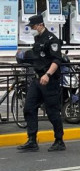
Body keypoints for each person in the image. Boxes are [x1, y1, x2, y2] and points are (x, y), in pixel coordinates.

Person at [16, 15, 65, 152]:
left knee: (52, 112)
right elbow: (37, 56)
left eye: (32, 26)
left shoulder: (52, 39)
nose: (31, 29)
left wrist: (48, 74)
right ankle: (32, 140)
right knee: (29, 107)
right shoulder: (37, 38)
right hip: (37, 79)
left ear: (40, 25)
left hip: (49, 80)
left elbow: (57, 60)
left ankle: (59, 140)